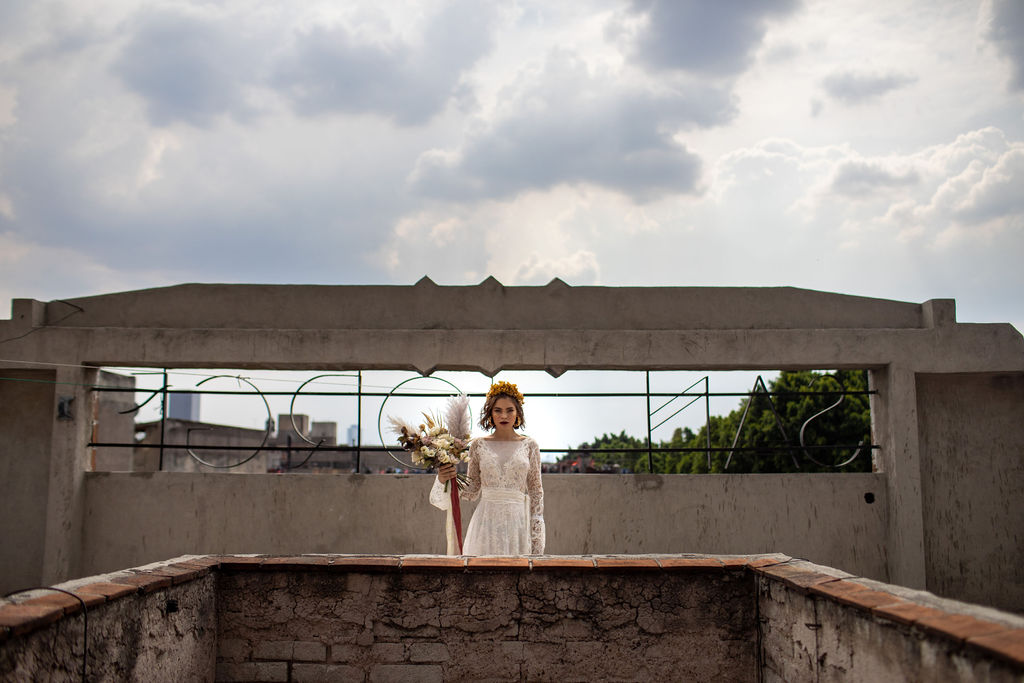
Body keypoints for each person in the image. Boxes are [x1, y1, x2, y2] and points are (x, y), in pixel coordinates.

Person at [431, 381, 545, 555]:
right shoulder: (478, 445)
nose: (504, 416)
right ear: (490, 414)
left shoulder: (530, 445)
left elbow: (536, 492)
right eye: (498, 410)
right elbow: (472, 491)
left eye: (509, 410)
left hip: (518, 525)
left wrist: (537, 537)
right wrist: (445, 479)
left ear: (518, 413)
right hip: (486, 524)